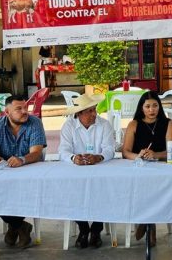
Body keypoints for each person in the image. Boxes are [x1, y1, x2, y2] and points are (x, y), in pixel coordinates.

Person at [0, 94, 46, 249]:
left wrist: (22, 159)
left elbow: (37, 153)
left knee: (25, 191)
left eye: (26, 107)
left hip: (29, 171)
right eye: (19, 109)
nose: (24, 111)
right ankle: (20, 225)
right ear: (7, 112)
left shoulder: (34, 122)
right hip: (4, 174)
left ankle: (14, 226)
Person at [58, 94, 115, 249]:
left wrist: (98, 157)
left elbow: (110, 149)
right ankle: (83, 228)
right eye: (89, 111)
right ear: (79, 114)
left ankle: (96, 229)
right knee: (71, 192)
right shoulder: (69, 126)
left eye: (94, 110)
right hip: (76, 172)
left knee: (105, 189)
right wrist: (73, 158)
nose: (94, 114)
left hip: (100, 169)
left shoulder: (104, 125)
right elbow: (63, 150)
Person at [122, 91, 172, 247]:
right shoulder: (134, 124)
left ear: (159, 106)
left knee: (156, 188)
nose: (151, 110)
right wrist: (138, 156)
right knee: (141, 188)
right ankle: (148, 224)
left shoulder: (168, 123)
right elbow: (125, 152)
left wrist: (155, 154)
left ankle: (147, 223)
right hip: (138, 168)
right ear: (141, 108)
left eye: (155, 106)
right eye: (147, 107)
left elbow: (171, 152)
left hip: (160, 168)